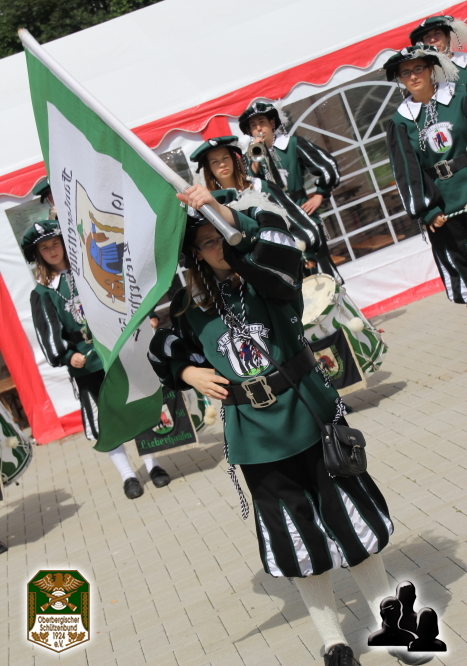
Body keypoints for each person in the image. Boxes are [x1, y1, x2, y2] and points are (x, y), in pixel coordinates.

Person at [147, 184, 402, 666]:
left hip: (310, 416)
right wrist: (186, 372)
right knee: (295, 536)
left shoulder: (266, 272)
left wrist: (221, 213)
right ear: (195, 254)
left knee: (351, 524)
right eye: (207, 241)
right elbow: (162, 348)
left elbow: (280, 258)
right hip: (254, 436)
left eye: (221, 233)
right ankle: (333, 641)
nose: (218, 245)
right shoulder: (189, 306)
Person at [21, 220, 170, 498]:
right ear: (38, 254)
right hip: (86, 363)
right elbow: (48, 333)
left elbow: (125, 293)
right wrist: (68, 356)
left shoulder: (91, 269)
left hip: (117, 349)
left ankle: (153, 465)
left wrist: (147, 316)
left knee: (135, 405)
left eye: (55, 243)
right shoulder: (43, 292)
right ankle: (127, 475)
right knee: (106, 419)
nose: (52, 251)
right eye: (45, 248)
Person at [385, 44, 467, 304]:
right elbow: (406, 171)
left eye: (418, 68)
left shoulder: (460, 96)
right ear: (399, 79)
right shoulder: (400, 122)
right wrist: (427, 210)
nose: (413, 76)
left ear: (431, 69)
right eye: (405, 72)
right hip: (443, 205)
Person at [238, 101, 343, 283]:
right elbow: (247, 186)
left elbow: (327, 166)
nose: (258, 129)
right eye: (253, 126)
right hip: (275, 220)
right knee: (294, 272)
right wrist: (255, 158)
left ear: (272, 123)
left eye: (262, 122)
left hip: (303, 212)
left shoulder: (292, 144)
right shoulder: (250, 157)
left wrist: (320, 194)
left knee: (321, 265)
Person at [190, 135, 321, 260]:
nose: (222, 164)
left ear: (234, 160)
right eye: (214, 161)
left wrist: (307, 252)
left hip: (282, 256)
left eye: (225, 158)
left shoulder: (260, 187)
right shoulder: (211, 202)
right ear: (208, 168)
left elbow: (292, 218)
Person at [409, 15, 467, 84]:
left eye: (437, 33)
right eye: (427, 37)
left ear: (448, 37)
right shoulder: (423, 74)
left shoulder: (465, 60)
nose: (433, 40)